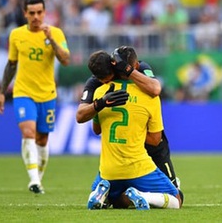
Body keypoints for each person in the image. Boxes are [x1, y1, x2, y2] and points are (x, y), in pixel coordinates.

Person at [77, 50, 182, 210]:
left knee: (118, 201)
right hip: (140, 159)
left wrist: (99, 104)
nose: (105, 82)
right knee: (177, 197)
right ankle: (144, 194)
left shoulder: (101, 91)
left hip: (112, 165)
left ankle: (101, 195)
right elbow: (155, 139)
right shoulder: (149, 97)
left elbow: (96, 129)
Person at [0, 0, 70, 194]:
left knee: (42, 139)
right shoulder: (16, 35)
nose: (36, 17)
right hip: (23, 92)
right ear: (25, 14)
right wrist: (2, 92)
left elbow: (65, 60)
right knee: (28, 132)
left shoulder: (55, 33)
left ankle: (38, 180)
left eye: (39, 12)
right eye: (32, 13)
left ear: (44, 13)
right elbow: (11, 65)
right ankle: (34, 180)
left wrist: (51, 41)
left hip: (47, 94)